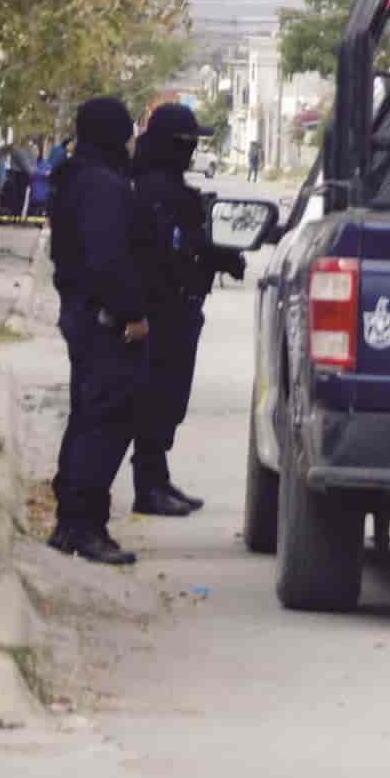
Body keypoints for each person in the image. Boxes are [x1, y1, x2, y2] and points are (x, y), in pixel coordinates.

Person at [47, 97, 157, 566]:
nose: (132, 139)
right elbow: (107, 258)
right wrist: (132, 313)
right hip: (105, 322)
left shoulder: (78, 177)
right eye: (126, 130)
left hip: (83, 314)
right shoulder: (102, 187)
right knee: (105, 424)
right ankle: (86, 526)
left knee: (88, 418)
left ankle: (71, 521)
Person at [128, 102, 239, 517]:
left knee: (171, 399)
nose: (192, 153)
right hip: (162, 310)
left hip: (183, 308)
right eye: (186, 145)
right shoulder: (152, 191)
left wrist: (220, 256)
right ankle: (148, 486)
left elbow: (195, 244)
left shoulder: (173, 189)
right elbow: (167, 251)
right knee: (157, 399)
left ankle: (157, 478)